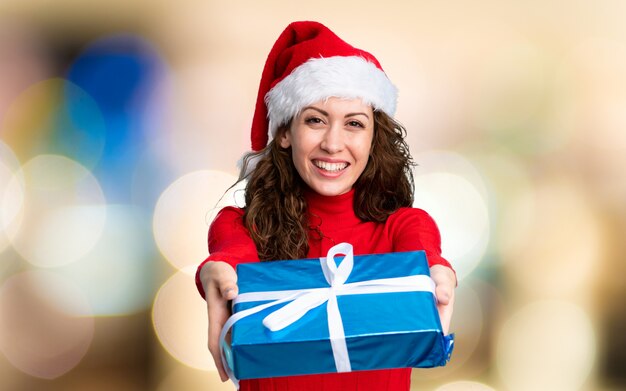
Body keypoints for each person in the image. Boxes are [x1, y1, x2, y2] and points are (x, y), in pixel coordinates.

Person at [195, 21, 456, 391]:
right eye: (315, 120)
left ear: (373, 138)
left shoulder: (402, 227)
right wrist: (215, 274)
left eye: (354, 124)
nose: (333, 144)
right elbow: (229, 256)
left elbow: (425, 253)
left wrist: (439, 274)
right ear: (284, 132)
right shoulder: (243, 226)